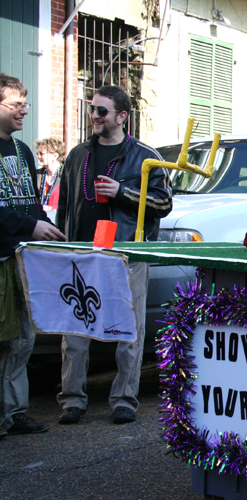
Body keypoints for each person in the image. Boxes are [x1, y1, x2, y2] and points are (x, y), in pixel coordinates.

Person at [55, 85, 172, 425]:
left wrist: (123, 192)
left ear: (121, 116)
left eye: (102, 111)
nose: (94, 115)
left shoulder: (145, 156)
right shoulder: (78, 155)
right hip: (82, 252)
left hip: (127, 253)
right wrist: (63, 246)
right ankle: (72, 400)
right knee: (74, 331)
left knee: (128, 330)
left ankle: (124, 400)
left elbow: (164, 203)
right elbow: (65, 206)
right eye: (92, 109)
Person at [0, 73, 66, 439]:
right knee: (2, 338)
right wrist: (30, 225)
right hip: (2, 259)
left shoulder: (23, 150)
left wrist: (49, 230)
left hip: (24, 258)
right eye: (16, 104)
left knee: (23, 340)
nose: (24, 110)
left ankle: (14, 414)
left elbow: (31, 204)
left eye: (25, 103)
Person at [34, 137, 65, 212]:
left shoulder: (66, 175)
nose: (38, 156)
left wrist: (52, 208)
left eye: (41, 153)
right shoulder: (36, 175)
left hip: (58, 217)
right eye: (37, 153)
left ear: (55, 156)